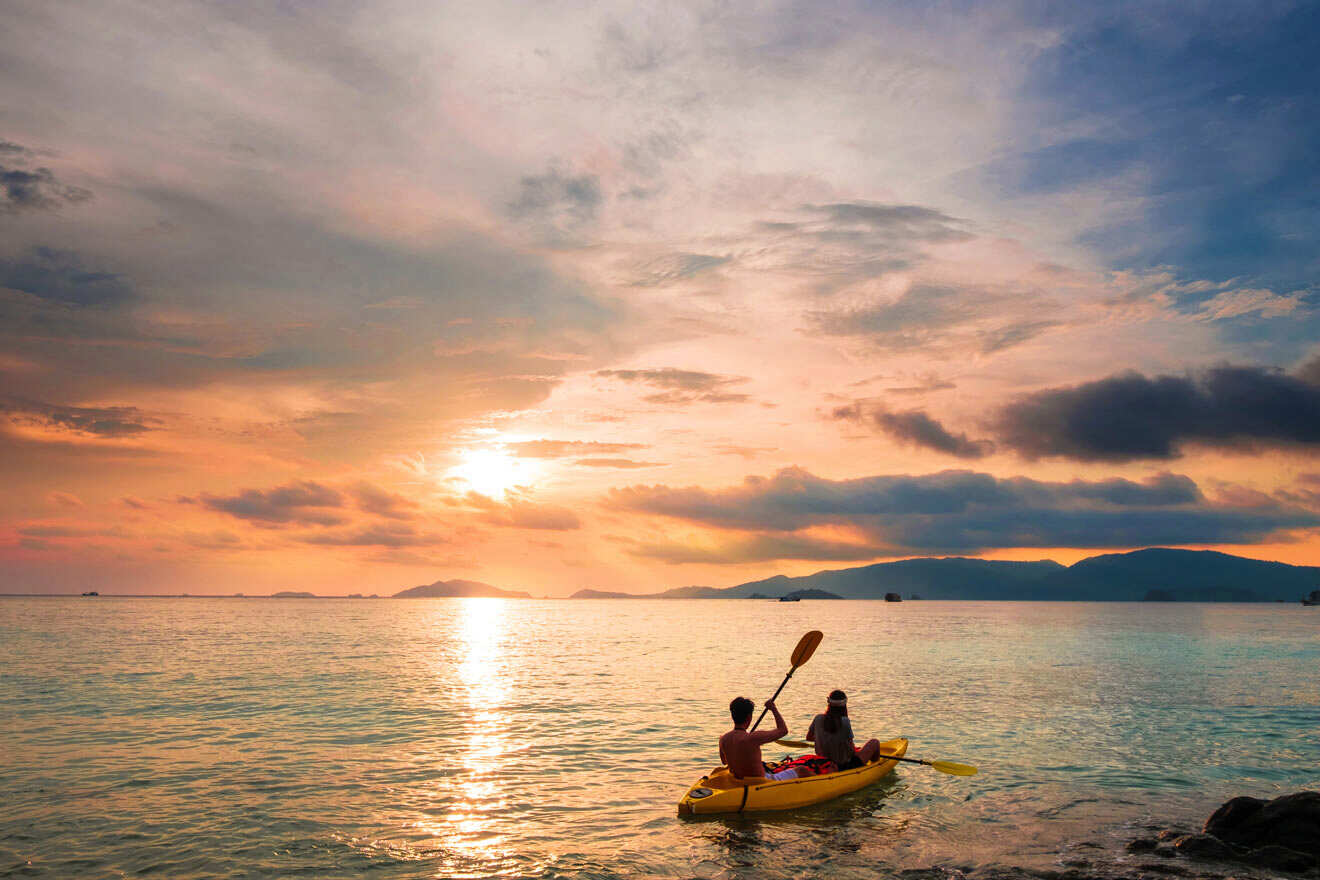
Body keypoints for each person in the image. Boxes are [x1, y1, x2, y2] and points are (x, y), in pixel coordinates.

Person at [719, 697, 816, 780]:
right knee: (801, 770)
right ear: (749, 717)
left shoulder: (723, 738)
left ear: (732, 716)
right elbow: (783, 730)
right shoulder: (753, 737)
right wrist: (773, 709)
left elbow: (725, 762)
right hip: (761, 781)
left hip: (739, 780)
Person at [806, 689, 882, 770]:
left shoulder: (818, 718)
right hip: (845, 765)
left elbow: (809, 738)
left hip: (824, 762)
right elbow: (851, 751)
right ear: (844, 704)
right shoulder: (845, 721)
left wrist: (825, 739)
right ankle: (875, 766)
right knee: (875, 742)